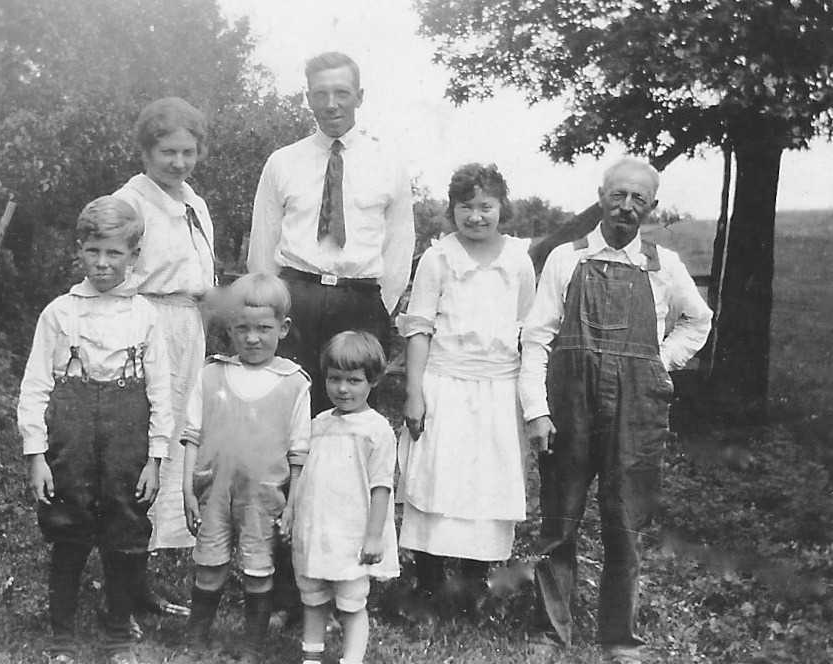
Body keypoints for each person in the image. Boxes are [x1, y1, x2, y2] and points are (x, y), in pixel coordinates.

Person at [519, 157, 713, 663]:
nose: (627, 207)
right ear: (602, 195)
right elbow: (537, 338)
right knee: (559, 518)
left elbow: (699, 320)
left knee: (624, 521)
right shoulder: (567, 258)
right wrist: (537, 410)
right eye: (618, 195)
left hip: (636, 409)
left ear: (652, 206)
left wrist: (659, 362)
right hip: (570, 405)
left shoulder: (662, 265)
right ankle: (549, 632)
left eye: (639, 199)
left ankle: (619, 639)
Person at [17, 196, 173, 664]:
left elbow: (162, 392)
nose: (103, 263)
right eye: (93, 251)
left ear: (134, 256)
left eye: (114, 253)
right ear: (80, 250)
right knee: (68, 528)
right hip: (72, 432)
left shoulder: (145, 315)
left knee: (125, 530)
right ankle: (62, 636)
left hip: (128, 433)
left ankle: (118, 633)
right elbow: (35, 386)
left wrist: (156, 457)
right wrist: (37, 455)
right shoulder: (60, 312)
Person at [397, 163, 537, 610]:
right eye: (466, 207)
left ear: (502, 208)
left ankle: (475, 583)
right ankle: (430, 580)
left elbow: (527, 326)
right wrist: (415, 392)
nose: (476, 216)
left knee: (486, 481)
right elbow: (418, 327)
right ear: (451, 210)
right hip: (445, 381)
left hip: (498, 386)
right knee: (437, 475)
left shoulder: (517, 259)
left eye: (485, 206)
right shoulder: (438, 259)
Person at [247, 51, 415, 415]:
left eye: (341, 92)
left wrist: (376, 307)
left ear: (360, 96)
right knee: (286, 410)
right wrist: (272, 306)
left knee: (348, 416)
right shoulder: (282, 162)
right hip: (296, 300)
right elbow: (262, 245)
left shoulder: (388, 163)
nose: (331, 104)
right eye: (320, 94)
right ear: (308, 98)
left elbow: (400, 249)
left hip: (359, 300)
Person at [112, 96, 215, 616]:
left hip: (187, 330)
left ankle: (141, 585)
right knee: (140, 451)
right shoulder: (129, 203)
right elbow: (111, 278)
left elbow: (202, 283)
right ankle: (122, 592)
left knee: (175, 448)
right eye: (167, 151)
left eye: (188, 152)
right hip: (143, 328)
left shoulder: (194, 203)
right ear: (146, 150)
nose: (178, 162)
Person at [181, 273, 311, 663]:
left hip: (263, 497)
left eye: (263, 329)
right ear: (230, 328)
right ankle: (196, 638)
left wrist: (292, 504)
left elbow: (298, 454)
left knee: (258, 569)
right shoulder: (211, 374)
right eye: (242, 329)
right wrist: (188, 488)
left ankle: (251, 646)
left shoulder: (293, 383)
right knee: (210, 566)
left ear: (283, 328)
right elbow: (192, 435)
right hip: (213, 491)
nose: (252, 338)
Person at [289, 331, 400, 664]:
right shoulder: (320, 423)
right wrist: (293, 513)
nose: (342, 388)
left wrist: (373, 536)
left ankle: (351, 659)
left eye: (353, 380)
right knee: (313, 598)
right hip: (317, 527)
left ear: (373, 381)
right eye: (335, 379)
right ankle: (311, 657)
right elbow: (308, 476)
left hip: (352, 531)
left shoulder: (376, 429)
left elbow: (381, 486)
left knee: (351, 602)